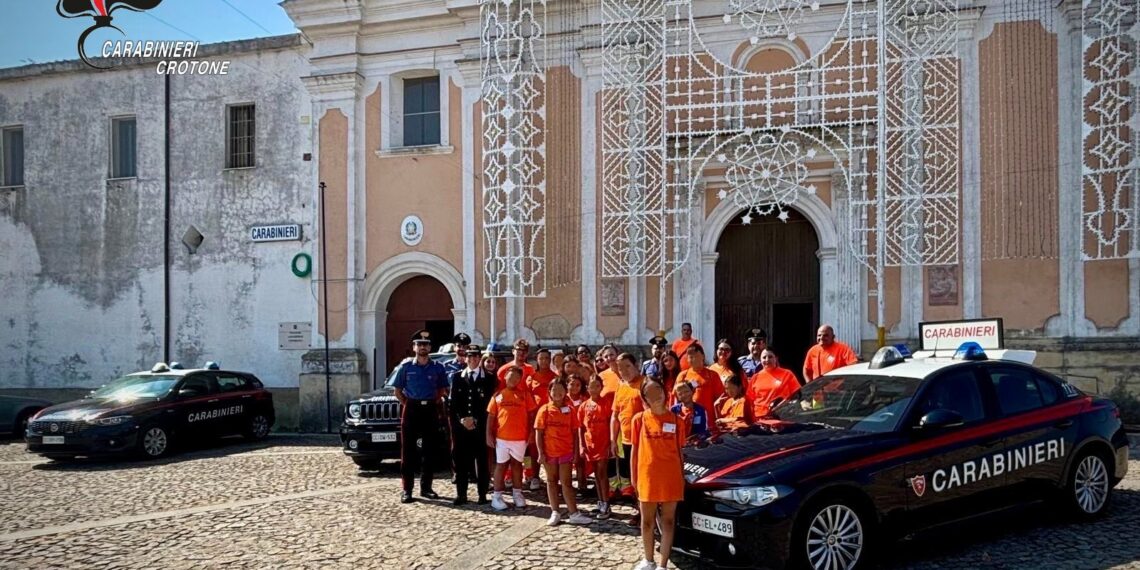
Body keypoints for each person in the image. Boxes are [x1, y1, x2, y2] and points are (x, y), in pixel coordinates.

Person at [630, 379, 687, 570]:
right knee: (647, 521)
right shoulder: (639, 419)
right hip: (647, 476)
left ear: (664, 392)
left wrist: (681, 475)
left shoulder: (677, 421)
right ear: (644, 398)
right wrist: (634, 477)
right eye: (650, 392)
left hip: (670, 477)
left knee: (668, 521)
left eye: (658, 390)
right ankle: (648, 560)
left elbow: (679, 452)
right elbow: (635, 451)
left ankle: (663, 564)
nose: (655, 395)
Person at [391, 330, 450, 503]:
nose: (422, 347)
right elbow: (397, 391)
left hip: (430, 409)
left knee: (429, 451)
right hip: (412, 409)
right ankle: (407, 490)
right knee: (408, 452)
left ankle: (426, 488)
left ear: (430, 347)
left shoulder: (438, 367)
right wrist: (409, 404)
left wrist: (433, 402)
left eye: (425, 344)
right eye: (419, 344)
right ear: (414, 347)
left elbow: (442, 390)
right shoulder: (406, 367)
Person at [535, 378, 594, 526]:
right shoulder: (544, 410)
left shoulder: (571, 410)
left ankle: (573, 512)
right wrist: (541, 453)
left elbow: (575, 433)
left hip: (566, 452)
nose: (558, 393)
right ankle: (555, 511)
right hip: (549, 453)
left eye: (561, 390)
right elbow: (539, 433)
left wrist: (575, 453)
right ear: (549, 392)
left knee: (566, 483)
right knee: (551, 481)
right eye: (554, 390)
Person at [448, 345, 495, 505]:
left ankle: (482, 493)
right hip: (462, 427)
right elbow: (453, 403)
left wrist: (475, 420)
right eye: (470, 356)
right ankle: (461, 494)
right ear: (465, 358)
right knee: (461, 461)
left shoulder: (488, 378)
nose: (473, 359)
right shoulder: (457, 377)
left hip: (479, 426)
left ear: (479, 358)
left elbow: (490, 405)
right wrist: (462, 419)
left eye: (476, 356)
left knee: (481, 461)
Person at [487, 366, 536, 511]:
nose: (513, 380)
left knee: (517, 465)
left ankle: (517, 493)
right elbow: (491, 416)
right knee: (501, 465)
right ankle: (497, 496)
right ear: (504, 377)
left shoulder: (524, 395)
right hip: (502, 437)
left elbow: (532, 415)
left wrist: (532, 432)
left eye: (517, 378)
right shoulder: (498, 395)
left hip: (520, 437)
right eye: (511, 376)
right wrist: (488, 434)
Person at [609, 353, 644, 522]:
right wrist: (612, 439)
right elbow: (615, 416)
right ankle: (639, 508)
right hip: (626, 440)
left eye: (627, 366)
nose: (624, 371)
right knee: (632, 478)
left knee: (643, 477)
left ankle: (646, 511)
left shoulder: (645, 384)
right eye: (620, 368)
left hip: (644, 441)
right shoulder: (621, 387)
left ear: (636, 364)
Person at [579, 375, 612, 519]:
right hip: (590, 444)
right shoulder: (584, 406)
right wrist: (581, 445)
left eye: (597, 386)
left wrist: (611, 443)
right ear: (587, 388)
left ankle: (606, 503)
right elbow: (580, 427)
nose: (594, 389)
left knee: (602, 474)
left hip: (603, 444)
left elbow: (611, 424)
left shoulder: (606, 404)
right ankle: (600, 501)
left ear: (601, 387)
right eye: (591, 386)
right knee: (596, 475)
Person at [525, 348, 557, 490]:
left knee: (551, 448)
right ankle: (534, 476)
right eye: (541, 358)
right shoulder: (531, 378)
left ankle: (553, 477)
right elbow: (527, 397)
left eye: (546, 358)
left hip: (551, 418)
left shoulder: (555, 377)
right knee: (533, 449)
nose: (544, 361)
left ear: (550, 360)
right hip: (535, 418)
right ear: (537, 360)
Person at [675, 344, 724, 430]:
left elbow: (720, 398)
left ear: (703, 356)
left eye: (695, 356)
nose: (693, 359)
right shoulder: (683, 375)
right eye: (690, 357)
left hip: (708, 420)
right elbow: (676, 398)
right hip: (686, 420)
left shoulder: (712, 375)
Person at [747, 347, 801, 418]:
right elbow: (749, 400)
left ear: (776, 358)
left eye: (770, 357)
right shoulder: (755, 377)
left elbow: (797, 395)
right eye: (764, 357)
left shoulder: (787, 374)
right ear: (760, 360)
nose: (767, 360)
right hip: (759, 417)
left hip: (781, 416)